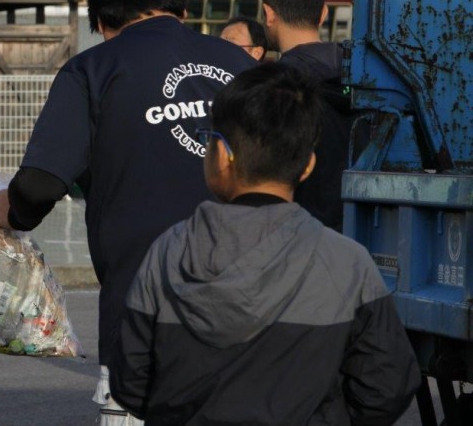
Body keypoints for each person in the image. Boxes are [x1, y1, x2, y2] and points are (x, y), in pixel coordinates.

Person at [0, 0, 255, 424]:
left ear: (102, 18)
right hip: (251, 311)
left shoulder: (94, 69)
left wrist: (13, 210)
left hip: (142, 317)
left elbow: (42, 182)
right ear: (181, 8)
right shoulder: (242, 67)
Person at [109, 63, 420, 424]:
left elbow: (130, 381)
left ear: (223, 155)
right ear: (307, 166)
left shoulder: (167, 252)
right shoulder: (348, 262)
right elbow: (388, 385)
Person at [261, 0, 353, 229]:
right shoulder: (361, 71)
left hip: (298, 232)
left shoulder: (273, 84)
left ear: (268, 14)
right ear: (323, 14)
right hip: (360, 229)